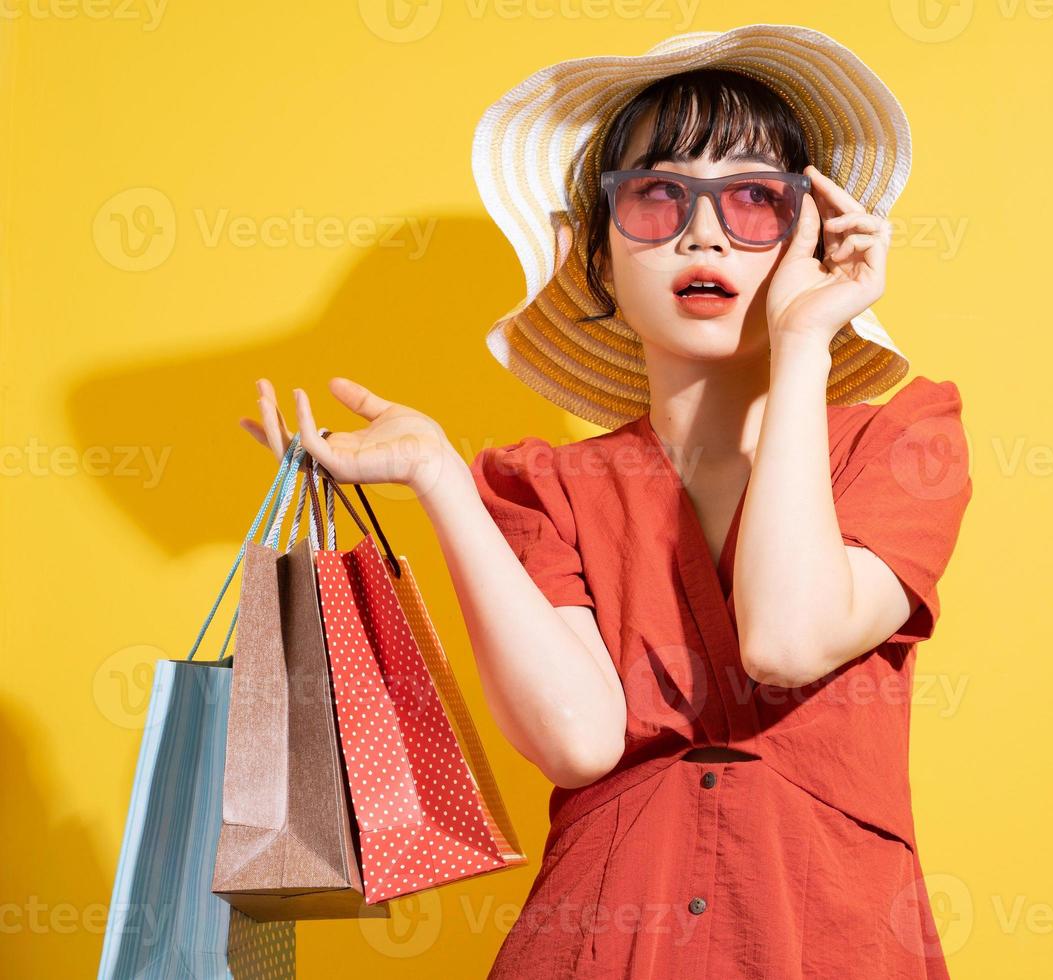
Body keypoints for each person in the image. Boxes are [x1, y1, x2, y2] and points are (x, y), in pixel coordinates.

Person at [239, 25, 973, 978]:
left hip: (824, 939)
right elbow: (578, 741)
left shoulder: (903, 445)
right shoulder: (541, 489)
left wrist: (805, 341)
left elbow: (788, 639)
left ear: (814, 235)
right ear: (594, 254)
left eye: (755, 200)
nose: (702, 231)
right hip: (597, 945)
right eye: (658, 196)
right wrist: (439, 479)